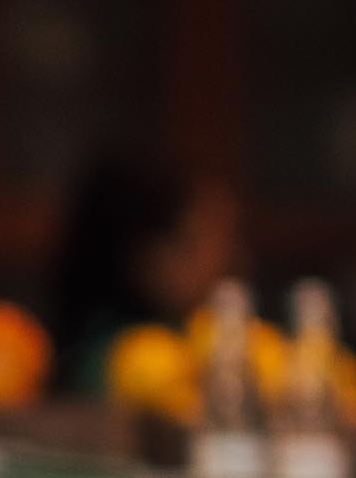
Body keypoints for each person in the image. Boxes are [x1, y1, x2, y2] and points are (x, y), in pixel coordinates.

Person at [50, 152, 240, 393]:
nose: (229, 257)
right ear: (150, 255)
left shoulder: (203, 335)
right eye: (211, 237)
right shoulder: (109, 361)